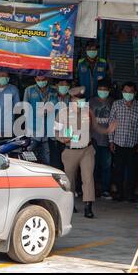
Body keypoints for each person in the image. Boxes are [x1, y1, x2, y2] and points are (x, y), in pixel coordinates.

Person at [56, 86, 95, 218]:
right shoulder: (62, 113)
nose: (80, 103)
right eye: (77, 100)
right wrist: (62, 139)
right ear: (71, 100)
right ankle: (70, 204)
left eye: (82, 100)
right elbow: (56, 131)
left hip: (86, 150)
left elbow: (96, 127)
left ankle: (88, 207)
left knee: (88, 178)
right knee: (69, 179)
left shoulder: (88, 112)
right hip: (70, 150)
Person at [109, 82, 138, 202]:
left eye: (130, 92)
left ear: (135, 93)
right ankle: (119, 193)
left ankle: (130, 194)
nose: (128, 94)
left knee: (132, 170)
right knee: (118, 169)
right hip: (118, 142)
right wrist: (111, 141)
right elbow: (111, 123)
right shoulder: (116, 104)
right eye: (125, 91)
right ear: (122, 92)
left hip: (133, 144)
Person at [23, 75, 58, 165]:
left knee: (47, 155)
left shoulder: (54, 90)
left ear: (48, 79)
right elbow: (25, 108)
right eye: (39, 80)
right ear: (35, 79)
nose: (41, 81)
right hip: (34, 128)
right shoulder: (29, 90)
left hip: (48, 128)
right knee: (30, 153)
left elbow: (56, 105)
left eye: (43, 79)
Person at [89, 81, 114, 199]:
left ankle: (105, 190)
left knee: (106, 166)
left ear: (109, 90)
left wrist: (112, 140)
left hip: (107, 140)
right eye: (100, 89)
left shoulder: (113, 102)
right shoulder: (91, 102)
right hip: (93, 139)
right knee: (92, 166)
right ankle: (91, 190)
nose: (102, 91)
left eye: (105, 89)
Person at [50, 80, 71, 170]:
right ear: (56, 85)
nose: (63, 87)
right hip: (53, 134)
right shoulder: (50, 97)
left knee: (67, 162)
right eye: (61, 84)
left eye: (66, 85)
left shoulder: (72, 98)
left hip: (67, 134)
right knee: (55, 161)